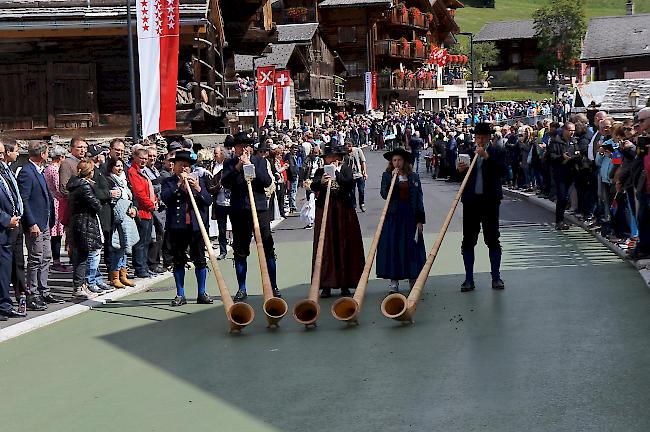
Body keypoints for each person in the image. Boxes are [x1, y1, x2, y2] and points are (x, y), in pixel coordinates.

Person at [221, 132, 280, 302]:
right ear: (235, 148)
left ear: (251, 148)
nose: (243, 150)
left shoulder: (260, 161)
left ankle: (273, 286)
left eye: (246, 146)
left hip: (260, 209)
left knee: (267, 247)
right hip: (239, 210)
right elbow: (225, 183)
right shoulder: (230, 163)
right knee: (240, 250)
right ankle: (242, 288)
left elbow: (267, 182)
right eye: (240, 147)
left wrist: (251, 169)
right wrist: (238, 168)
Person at [309, 144, 365, 298]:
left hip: (343, 210)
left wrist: (336, 174)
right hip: (325, 211)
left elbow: (348, 184)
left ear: (340, 158)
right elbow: (313, 186)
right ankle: (326, 284)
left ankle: (345, 284)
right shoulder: (320, 171)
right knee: (326, 245)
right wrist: (321, 181)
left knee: (344, 244)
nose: (332, 160)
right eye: (329, 157)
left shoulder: (345, 169)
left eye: (335, 157)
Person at [457, 122, 507, 292]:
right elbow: (457, 175)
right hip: (471, 201)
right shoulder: (467, 151)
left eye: (483, 138)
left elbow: (504, 171)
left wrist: (487, 157)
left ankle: (496, 277)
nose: (479, 141)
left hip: (490, 201)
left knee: (492, 239)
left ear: (489, 138)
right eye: (477, 137)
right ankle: (469, 279)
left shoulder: (497, 151)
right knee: (468, 240)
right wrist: (459, 169)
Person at [162, 150, 214, 306]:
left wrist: (197, 188)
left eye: (186, 166)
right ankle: (180, 294)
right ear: (174, 166)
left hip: (196, 227)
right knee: (178, 260)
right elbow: (166, 198)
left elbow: (208, 200)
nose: (184, 169)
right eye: (180, 166)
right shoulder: (169, 182)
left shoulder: (200, 180)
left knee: (200, 260)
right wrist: (179, 185)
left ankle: (202, 292)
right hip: (177, 227)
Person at [18, 141, 63, 310]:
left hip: (44, 221)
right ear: (42, 154)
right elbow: (24, 200)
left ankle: (44, 290)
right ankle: (32, 294)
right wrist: (31, 223)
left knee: (45, 257)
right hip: (35, 223)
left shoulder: (39, 170)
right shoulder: (27, 172)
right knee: (35, 258)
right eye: (47, 152)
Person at [376, 147, 426, 293]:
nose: (397, 163)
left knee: (411, 247)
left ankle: (413, 279)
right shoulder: (387, 176)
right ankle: (394, 282)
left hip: (410, 216)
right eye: (394, 160)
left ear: (405, 162)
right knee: (394, 247)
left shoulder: (414, 177)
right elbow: (385, 194)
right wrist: (393, 179)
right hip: (394, 216)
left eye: (400, 160)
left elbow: (419, 199)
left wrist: (420, 220)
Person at [67, 160, 105, 299]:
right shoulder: (84, 186)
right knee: (82, 257)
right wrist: (94, 191)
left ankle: (81, 284)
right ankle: (78, 286)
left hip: (79, 223)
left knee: (81, 256)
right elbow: (96, 205)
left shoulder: (76, 184)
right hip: (84, 223)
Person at [0, 141, 26, 320]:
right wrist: (5, 219)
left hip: (10, 228)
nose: (1, 157)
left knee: (5, 268)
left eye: (2, 153)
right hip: (3, 225)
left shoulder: (4, 172)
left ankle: (4, 304)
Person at [106, 158, 138, 289]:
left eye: (121, 166)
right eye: (117, 166)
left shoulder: (124, 181)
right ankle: (114, 276)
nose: (119, 168)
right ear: (111, 167)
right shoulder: (109, 180)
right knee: (118, 248)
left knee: (125, 248)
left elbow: (132, 198)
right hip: (118, 219)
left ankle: (123, 275)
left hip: (128, 217)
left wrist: (133, 209)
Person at [128, 147, 159, 278]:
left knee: (147, 241)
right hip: (142, 211)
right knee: (140, 242)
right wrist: (151, 205)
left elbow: (149, 189)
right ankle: (140, 268)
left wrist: (155, 201)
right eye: (141, 158)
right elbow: (139, 193)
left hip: (148, 211)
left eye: (145, 159)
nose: (144, 161)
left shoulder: (143, 172)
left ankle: (145, 266)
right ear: (135, 157)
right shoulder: (133, 172)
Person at [44, 145, 71, 272]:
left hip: (56, 201)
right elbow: (58, 187)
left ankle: (56, 260)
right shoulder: (55, 169)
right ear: (60, 157)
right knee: (56, 234)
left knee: (57, 234)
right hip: (57, 202)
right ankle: (56, 262)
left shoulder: (49, 168)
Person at [548, 122, 579, 230]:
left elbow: (578, 153)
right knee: (562, 197)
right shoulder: (555, 141)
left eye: (573, 130)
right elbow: (551, 157)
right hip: (560, 173)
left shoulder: (574, 141)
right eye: (570, 130)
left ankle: (561, 219)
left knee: (566, 197)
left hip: (571, 172)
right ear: (565, 130)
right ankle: (559, 221)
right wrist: (562, 157)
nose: (572, 133)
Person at [210, 144, 231, 260]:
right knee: (221, 229)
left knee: (236, 226)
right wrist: (218, 185)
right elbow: (211, 187)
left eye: (216, 153)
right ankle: (223, 251)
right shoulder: (215, 169)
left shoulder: (231, 168)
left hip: (231, 201)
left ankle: (237, 248)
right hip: (219, 202)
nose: (214, 156)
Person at [345, 140, 368, 212]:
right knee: (352, 192)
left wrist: (364, 172)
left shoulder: (358, 150)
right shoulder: (345, 154)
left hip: (359, 174)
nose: (348, 149)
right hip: (350, 176)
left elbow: (363, 161)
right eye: (346, 147)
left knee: (361, 190)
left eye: (349, 147)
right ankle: (354, 206)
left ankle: (362, 204)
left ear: (351, 146)